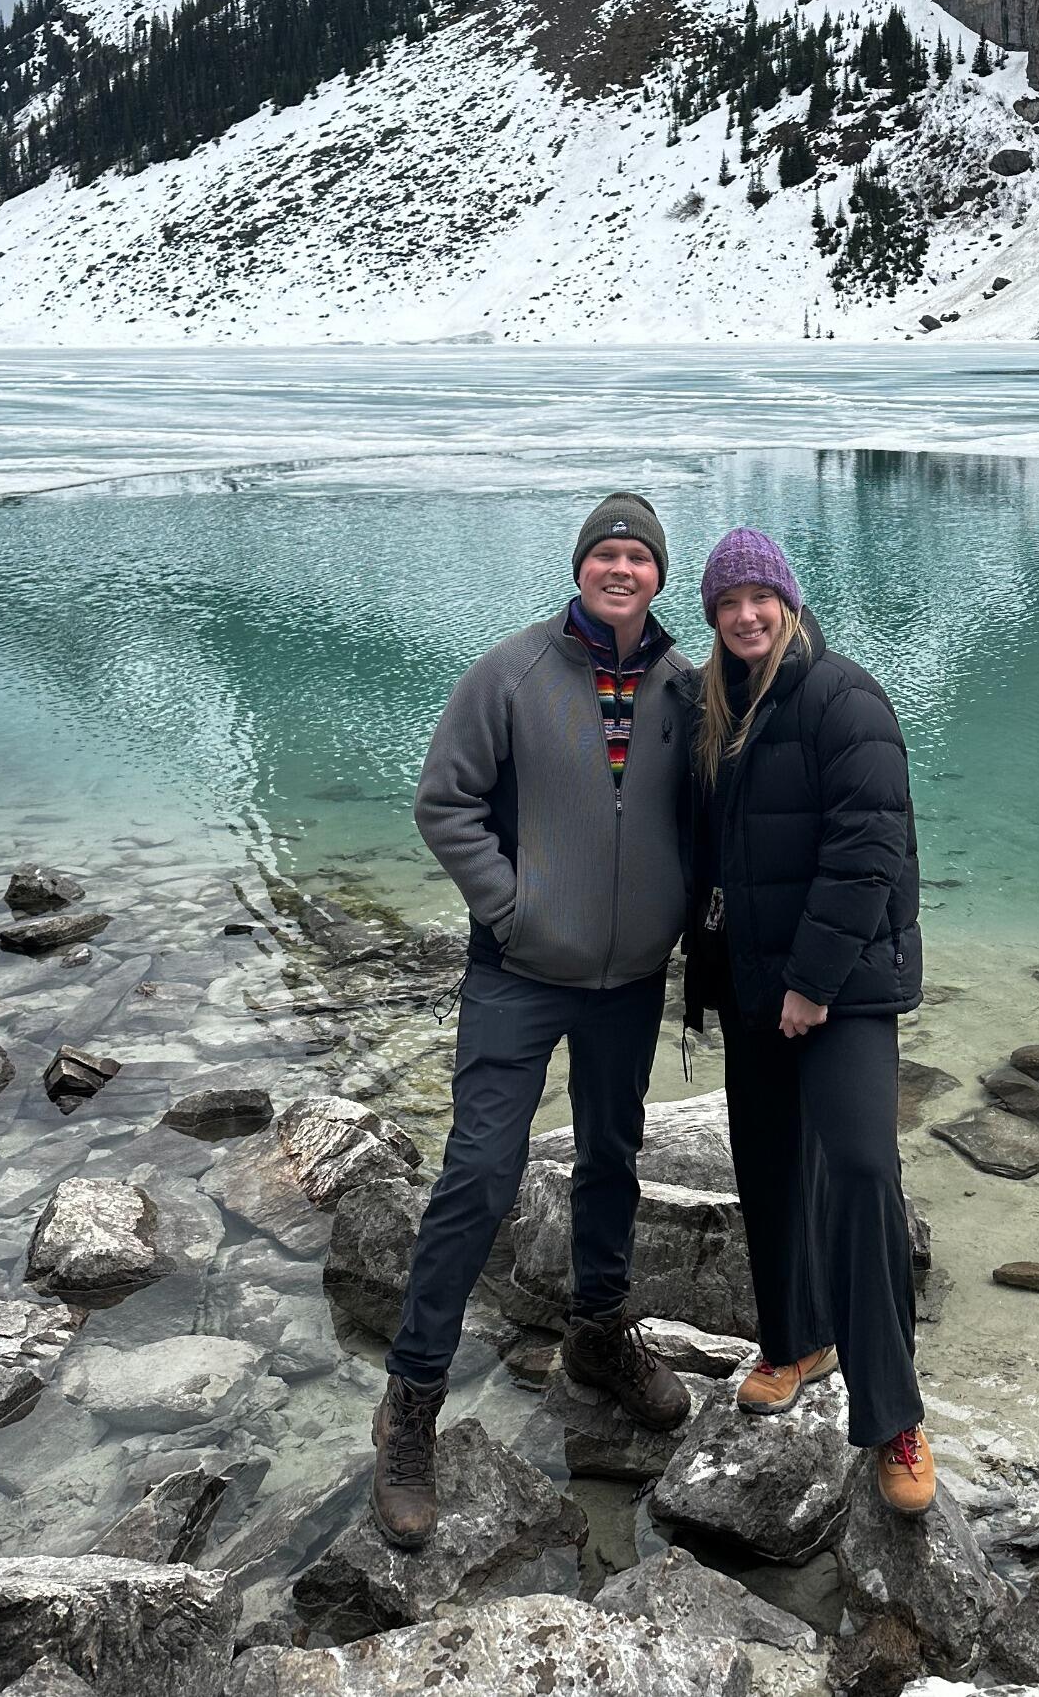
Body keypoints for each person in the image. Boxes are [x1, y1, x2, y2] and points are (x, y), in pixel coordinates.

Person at [371, 491, 695, 1547]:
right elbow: (445, 802)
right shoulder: (509, 673)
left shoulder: (684, 688)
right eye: (605, 554)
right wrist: (511, 907)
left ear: (658, 575)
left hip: (631, 978)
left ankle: (598, 1335)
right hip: (518, 970)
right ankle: (412, 1398)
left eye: (638, 557)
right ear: (581, 567)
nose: (620, 569)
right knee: (478, 1171)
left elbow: (708, 813)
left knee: (612, 1158)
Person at [683, 526, 934, 1514]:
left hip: (844, 986)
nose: (746, 615)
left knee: (863, 1170)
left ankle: (894, 1414)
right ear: (713, 616)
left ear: (788, 603)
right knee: (769, 1162)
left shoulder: (843, 695)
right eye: (728, 602)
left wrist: (814, 981)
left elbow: (869, 845)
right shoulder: (718, 709)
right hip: (756, 983)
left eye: (761, 598)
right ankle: (795, 1342)